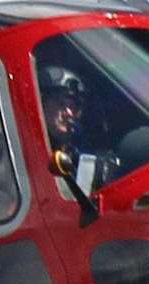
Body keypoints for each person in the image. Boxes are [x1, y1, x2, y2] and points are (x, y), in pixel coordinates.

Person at [39, 65, 118, 194]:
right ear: (42, 103)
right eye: (61, 104)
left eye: (75, 106)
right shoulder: (22, 148)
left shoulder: (78, 154)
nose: (69, 113)